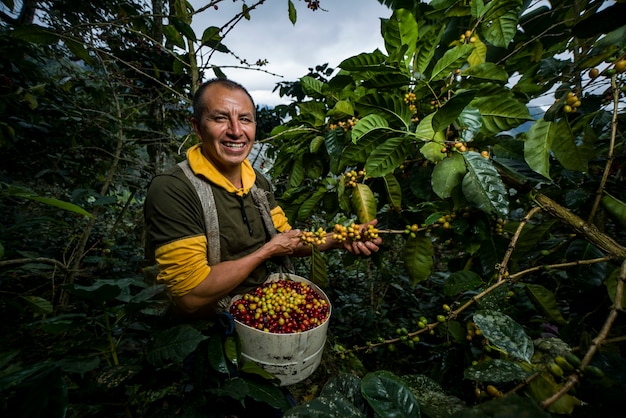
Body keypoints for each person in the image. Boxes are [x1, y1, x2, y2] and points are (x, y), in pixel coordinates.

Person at [144, 78, 381, 318]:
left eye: (245, 119)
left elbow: (285, 241)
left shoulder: (257, 182)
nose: (236, 131)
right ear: (196, 127)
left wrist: (339, 238)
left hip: (262, 312)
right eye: (220, 118)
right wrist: (265, 252)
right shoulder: (174, 189)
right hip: (209, 330)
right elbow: (189, 296)